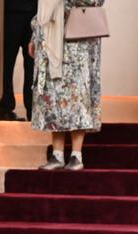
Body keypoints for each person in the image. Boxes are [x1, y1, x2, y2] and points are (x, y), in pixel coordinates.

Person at [29, 0, 104, 171]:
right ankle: (57, 154)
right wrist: (35, 35)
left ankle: (76, 155)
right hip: (50, 37)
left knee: (77, 95)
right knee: (54, 96)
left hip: (77, 40)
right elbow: (44, 6)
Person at [0, 0, 37, 121]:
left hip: (36, 13)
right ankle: (4, 108)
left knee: (34, 65)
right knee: (6, 63)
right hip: (10, 11)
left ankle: (34, 109)